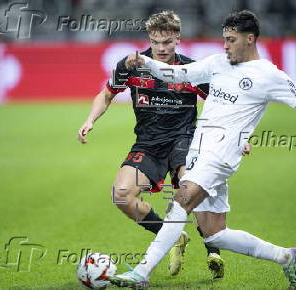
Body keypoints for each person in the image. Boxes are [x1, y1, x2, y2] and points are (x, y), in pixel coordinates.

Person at [113, 10, 296, 289]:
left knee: (180, 202)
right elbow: (177, 73)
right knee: (215, 234)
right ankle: (287, 256)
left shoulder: (269, 76)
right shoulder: (218, 62)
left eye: (231, 39)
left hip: (221, 156)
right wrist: (144, 62)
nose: (225, 45)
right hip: (199, 151)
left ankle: (141, 273)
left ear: (250, 39)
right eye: (224, 39)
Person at [77, 10, 236, 278]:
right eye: (156, 42)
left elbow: (220, 104)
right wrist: (90, 120)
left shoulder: (190, 71)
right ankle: (172, 236)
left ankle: (213, 250)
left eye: (167, 43)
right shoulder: (131, 66)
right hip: (148, 143)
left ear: (178, 39)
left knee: (190, 190)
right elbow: (106, 95)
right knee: (121, 196)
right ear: (149, 39)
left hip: (184, 140)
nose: (161, 49)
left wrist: (234, 136)